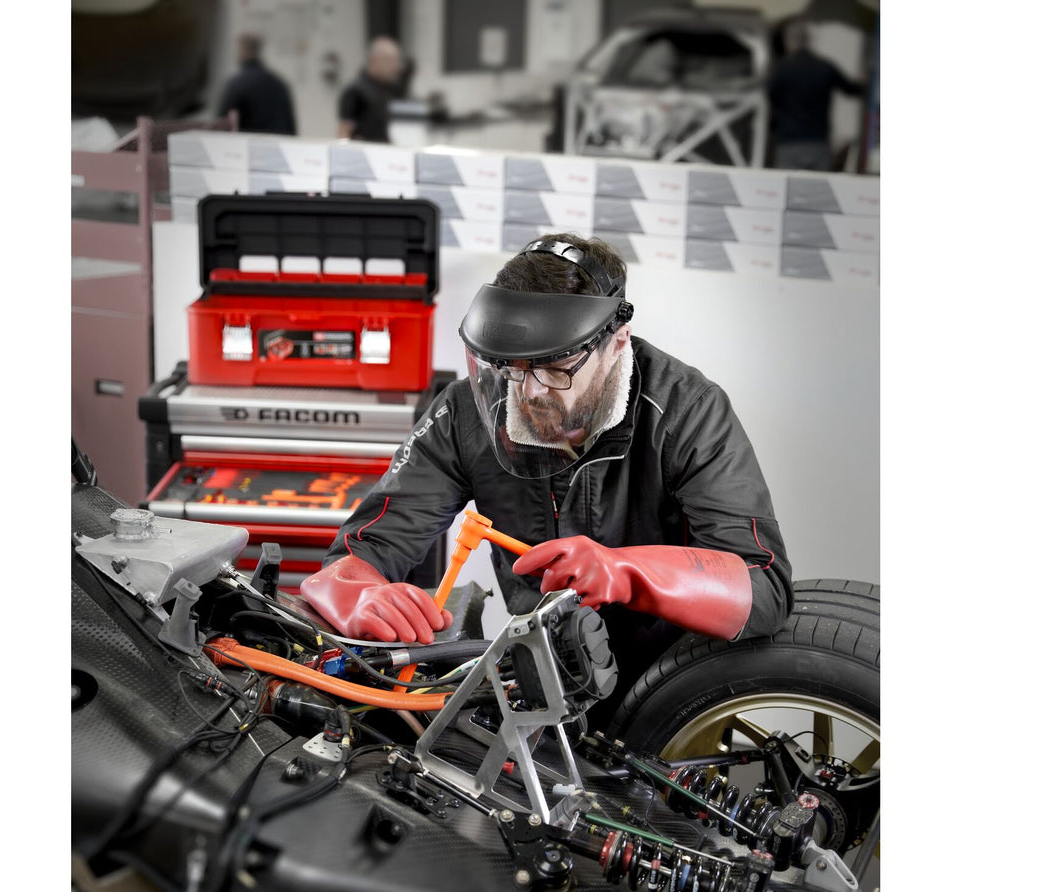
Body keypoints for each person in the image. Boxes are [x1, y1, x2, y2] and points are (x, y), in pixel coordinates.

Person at [300, 234, 794, 716]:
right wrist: (358, 592)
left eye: (557, 367)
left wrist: (628, 572)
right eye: (512, 367)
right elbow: (362, 551)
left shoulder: (688, 411)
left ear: (616, 341)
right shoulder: (467, 414)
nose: (530, 393)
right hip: (540, 683)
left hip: (668, 693)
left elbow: (763, 587)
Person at [766, 19, 863, 171]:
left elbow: (771, 98)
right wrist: (864, 80)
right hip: (818, 142)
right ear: (808, 40)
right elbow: (852, 90)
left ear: (787, 41)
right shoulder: (825, 66)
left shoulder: (781, 69)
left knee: (789, 183)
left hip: (789, 143)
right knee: (819, 184)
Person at [217, 33, 296, 135]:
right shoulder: (279, 84)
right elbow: (290, 126)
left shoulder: (238, 84)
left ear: (243, 49)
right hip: (278, 142)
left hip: (247, 143)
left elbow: (223, 125)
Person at [337, 36, 404, 142]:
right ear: (373, 60)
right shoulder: (356, 92)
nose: (396, 66)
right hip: (365, 149)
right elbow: (344, 133)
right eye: (389, 60)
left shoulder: (390, 89)